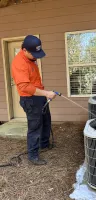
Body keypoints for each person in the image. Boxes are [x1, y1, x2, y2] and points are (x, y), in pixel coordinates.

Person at [12, 35, 56, 165]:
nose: (36, 56)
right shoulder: (19, 63)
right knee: (35, 127)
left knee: (46, 120)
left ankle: (44, 144)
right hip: (30, 99)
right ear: (25, 50)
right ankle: (33, 155)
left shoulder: (31, 58)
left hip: (39, 96)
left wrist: (43, 94)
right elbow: (24, 86)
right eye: (34, 53)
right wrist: (46, 93)